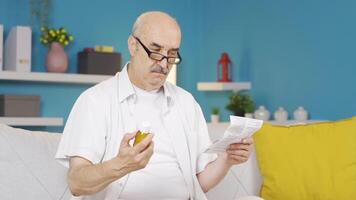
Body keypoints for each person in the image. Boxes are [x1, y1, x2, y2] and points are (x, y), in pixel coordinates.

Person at [56, 11, 253, 200]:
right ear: (133, 45)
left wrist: (227, 158)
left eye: (171, 54)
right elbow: (77, 182)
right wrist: (121, 164)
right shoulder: (95, 100)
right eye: (156, 51)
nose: (164, 63)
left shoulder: (186, 103)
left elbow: (199, 184)